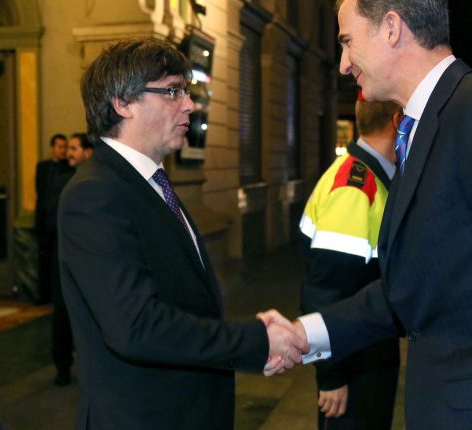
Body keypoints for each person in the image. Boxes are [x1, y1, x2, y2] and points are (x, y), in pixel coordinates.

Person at [261, 1, 472, 428]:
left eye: (347, 42)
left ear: (391, 27)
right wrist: (305, 334)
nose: (343, 65)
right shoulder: (425, 127)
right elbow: (417, 284)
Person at [58, 38, 307, 429]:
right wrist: (254, 341)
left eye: (187, 91)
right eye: (173, 91)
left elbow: (183, 299)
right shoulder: (96, 193)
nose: (190, 104)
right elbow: (136, 327)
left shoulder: (152, 181)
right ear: (123, 103)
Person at [299, 97, 401, 429]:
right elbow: (324, 293)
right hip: (355, 367)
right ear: (397, 121)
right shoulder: (356, 187)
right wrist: (330, 376)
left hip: (368, 355)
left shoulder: (373, 178)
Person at [50, 132, 94, 386]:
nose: (69, 153)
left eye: (74, 148)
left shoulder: (93, 180)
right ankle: (64, 366)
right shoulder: (61, 180)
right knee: (63, 315)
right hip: (65, 257)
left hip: (84, 259)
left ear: (87, 152)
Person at [34, 133, 70, 304]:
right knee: (43, 259)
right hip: (44, 219)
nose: (63, 150)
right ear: (52, 148)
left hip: (58, 222)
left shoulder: (69, 168)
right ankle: (42, 295)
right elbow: (40, 193)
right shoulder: (42, 167)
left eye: (65, 147)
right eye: (60, 146)